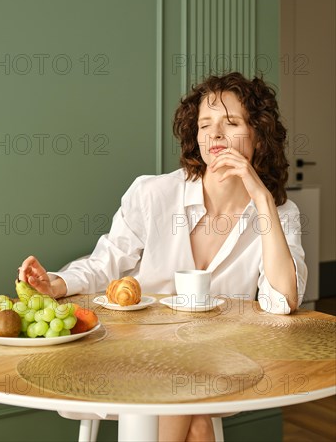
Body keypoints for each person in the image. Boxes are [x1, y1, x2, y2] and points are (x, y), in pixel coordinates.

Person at [19, 72, 307, 442]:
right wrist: (56, 283)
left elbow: (282, 301)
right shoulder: (152, 194)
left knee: (188, 382)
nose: (215, 134)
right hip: (133, 355)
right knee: (195, 416)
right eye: (205, 124)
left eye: (231, 123)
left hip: (220, 363)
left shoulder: (281, 215)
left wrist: (263, 198)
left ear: (259, 135)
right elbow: (106, 262)